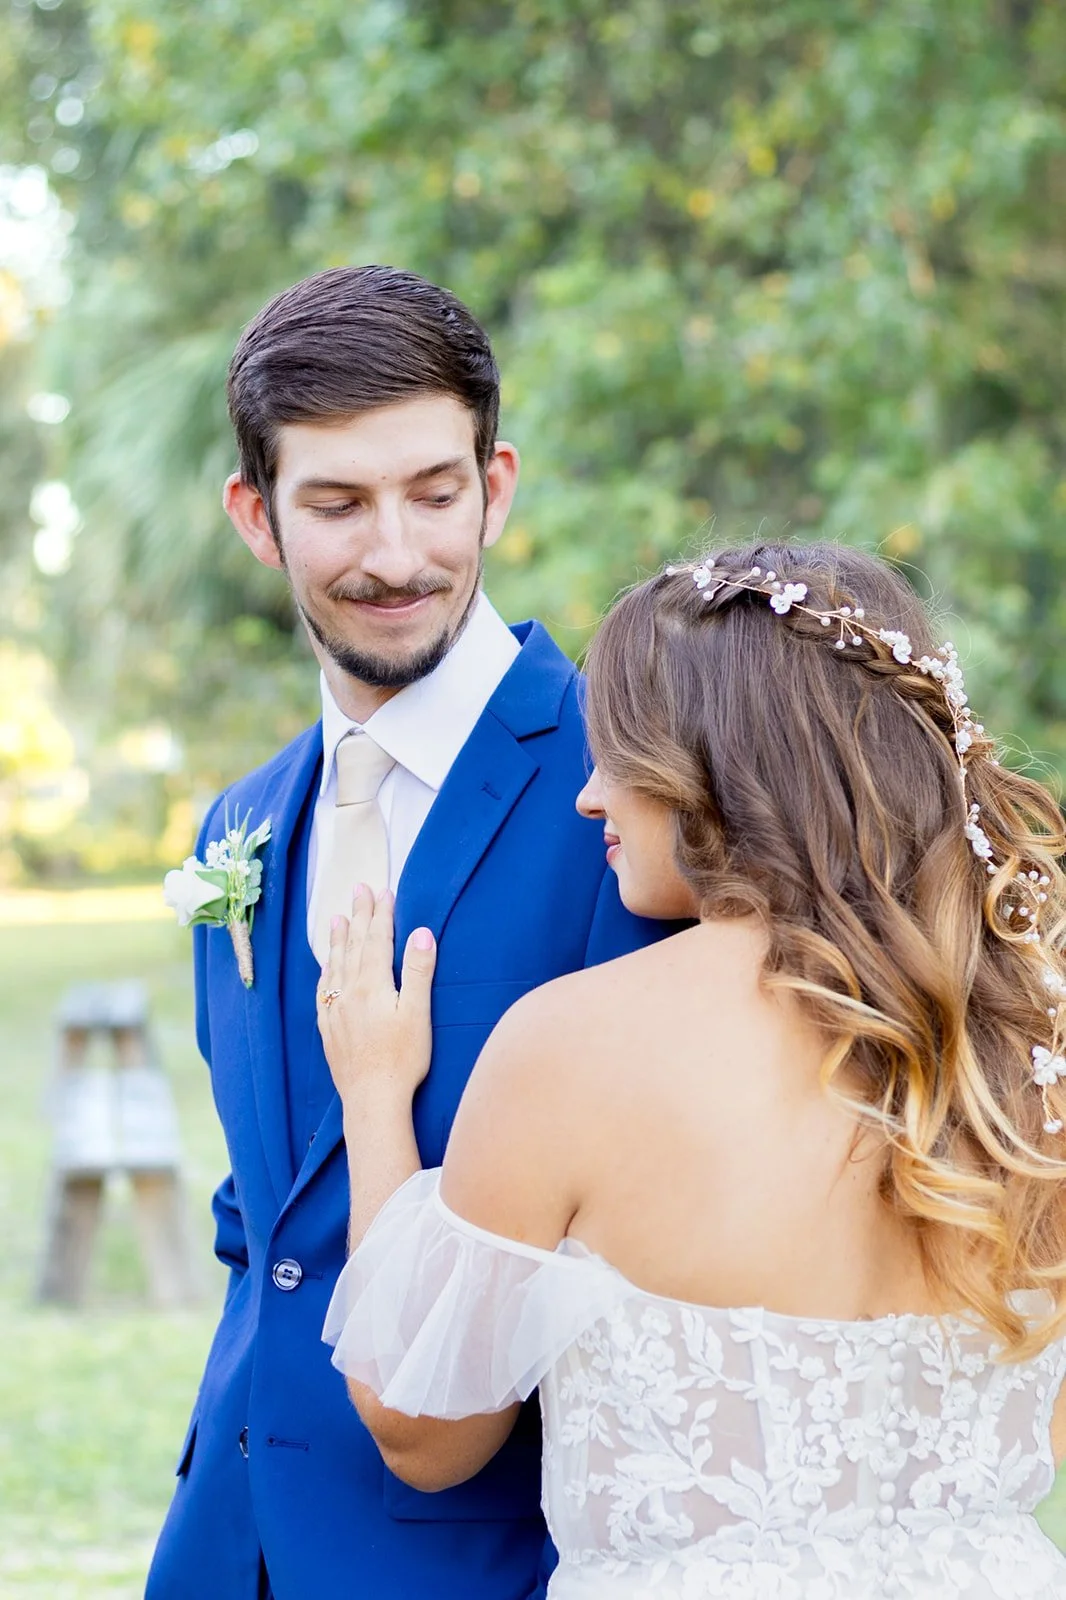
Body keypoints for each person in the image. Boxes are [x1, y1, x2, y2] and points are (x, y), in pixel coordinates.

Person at [319, 540, 1066, 1599]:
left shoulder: (569, 1046)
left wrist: (373, 1097)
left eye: (616, 754)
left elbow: (423, 1428)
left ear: (710, 766)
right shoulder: (1030, 1042)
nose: (588, 798)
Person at [146, 265, 671, 1600]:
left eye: (433, 493)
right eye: (335, 504)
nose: (394, 554)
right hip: (226, 1548)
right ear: (255, 518)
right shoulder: (239, 825)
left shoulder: (640, 799)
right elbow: (264, 1215)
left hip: (495, 1557)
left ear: (495, 485)